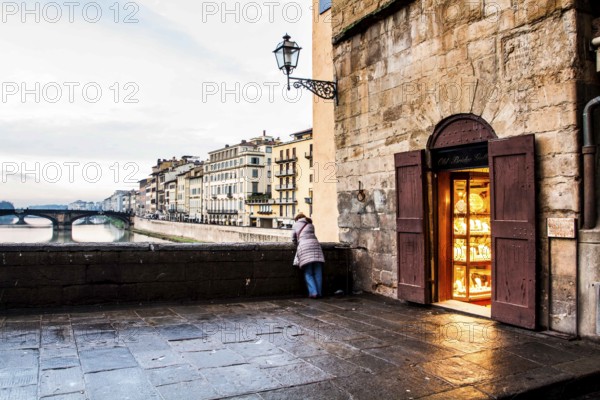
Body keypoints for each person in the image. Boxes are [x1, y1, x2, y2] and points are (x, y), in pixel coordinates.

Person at [292, 212, 325, 298]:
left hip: (305, 247)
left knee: (308, 272)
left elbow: (293, 239)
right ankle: (320, 292)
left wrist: (297, 243)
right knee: (318, 272)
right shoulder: (311, 225)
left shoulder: (295, 225)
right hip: (316, 247)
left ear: (297, 219)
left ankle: (314, 292)